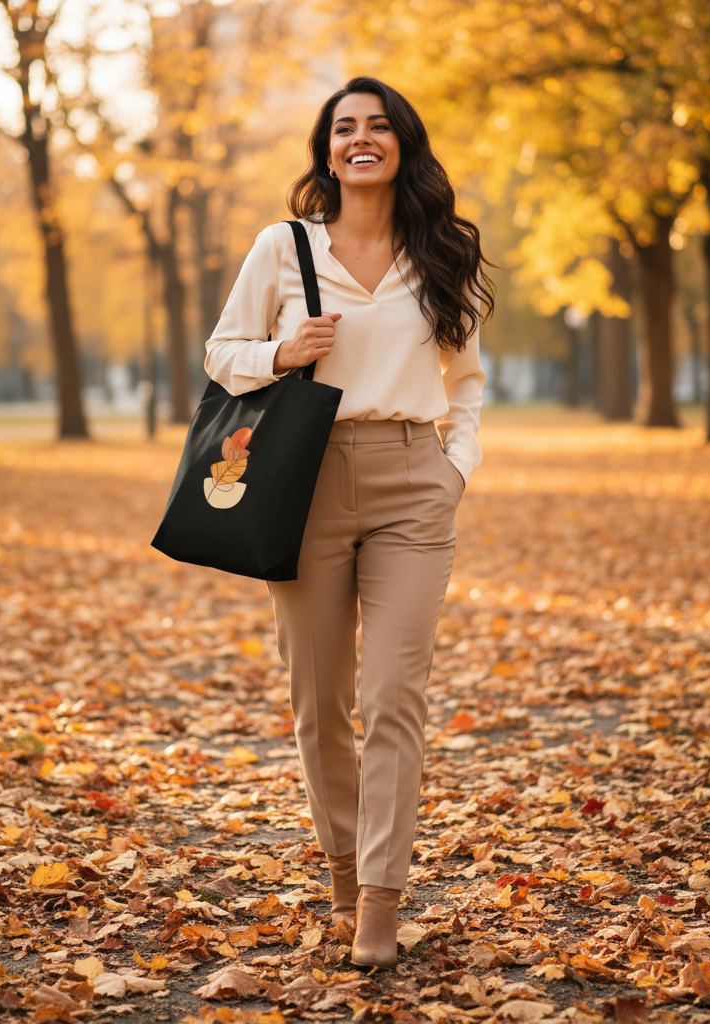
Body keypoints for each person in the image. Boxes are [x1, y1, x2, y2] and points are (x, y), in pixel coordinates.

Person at [204, 76, 492, 968]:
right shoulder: (282, 247)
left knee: (392, 698)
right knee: (320, 703)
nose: (359, 139)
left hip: (413, 481)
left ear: (403, 143)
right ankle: (340, 864)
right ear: (327, 150)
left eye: (377, 126)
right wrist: (281, 352)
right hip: (305, 480)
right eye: (343, 129)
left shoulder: (442, 251)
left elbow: (468, 381)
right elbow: (221, 356)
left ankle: (379, 901)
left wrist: (454, 469)